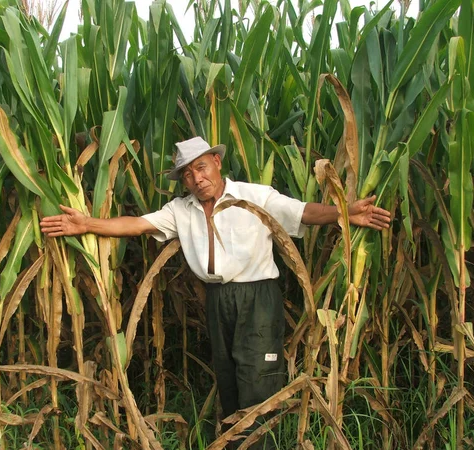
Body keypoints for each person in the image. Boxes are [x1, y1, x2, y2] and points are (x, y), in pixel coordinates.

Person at [40, 137, 391, 448]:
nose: (197, 178)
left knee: (258, 377)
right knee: (228, 377)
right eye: (189, 174)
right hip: (218, 299)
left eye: (202, 168)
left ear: (217, 163)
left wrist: (345, 213)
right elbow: (137, 224)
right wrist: (86, 224)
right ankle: (236, 442)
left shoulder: (254, 195)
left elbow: (302, 212)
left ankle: (259, 445)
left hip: (257, 298)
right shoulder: (182, 209)